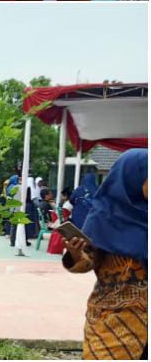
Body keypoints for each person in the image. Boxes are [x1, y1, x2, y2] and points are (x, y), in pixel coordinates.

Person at [62, 149, 147, 359]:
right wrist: (75, 254)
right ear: (132, 177)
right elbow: (88, 262)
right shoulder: (102, 217)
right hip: (115, 321)